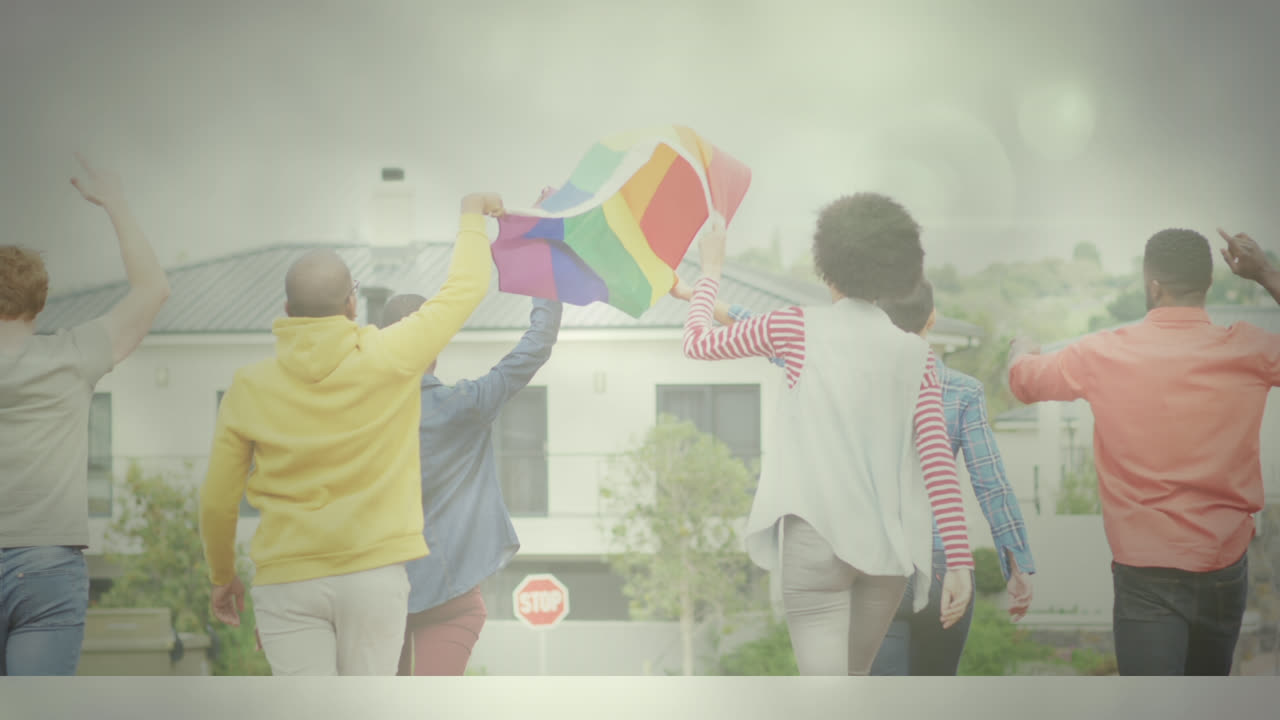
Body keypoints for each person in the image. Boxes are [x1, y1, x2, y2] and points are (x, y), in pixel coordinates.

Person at [199, 192, 503, 676]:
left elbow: (217, 499)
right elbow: (464, 289)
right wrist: (471, 216)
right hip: (374, 577)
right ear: (352, 303)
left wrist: (221, 575)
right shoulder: (392, 354)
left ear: (285, 308)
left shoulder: (247, 386)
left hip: (287, 579)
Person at [673, 276, 1036, 674]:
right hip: (940, 566)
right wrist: (1016, 563)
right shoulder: (963, 390)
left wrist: (700, 296)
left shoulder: (839, 361)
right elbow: (990, 482)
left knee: (864, 696)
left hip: (875, 552)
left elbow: (760, 328)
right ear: (931, 318)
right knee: (933, 697)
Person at [678, 194, 974, 676]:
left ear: (827, 265)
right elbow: (937, 461)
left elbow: (696, 344)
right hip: (886, 554)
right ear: (897, 271)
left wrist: (710, 273)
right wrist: (958, 562)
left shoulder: (795, 327)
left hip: (814, 540)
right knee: (853, 690)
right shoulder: (915, 355)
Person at [1006, 227, 1280, 676]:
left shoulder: (1103, 353)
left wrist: (1022, 350)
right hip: (1223, 566)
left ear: (1153, 286)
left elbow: (1024, 382)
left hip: (1145, 571)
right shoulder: (1247, 349)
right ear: (1207, 285)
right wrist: (1266, 273)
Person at [0, 154, 171, 675]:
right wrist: (114, 202)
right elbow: (153, 290)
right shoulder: (73, 357)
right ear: (42, 302)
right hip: (47, 566)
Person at [376, 293, 562, 676]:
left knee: (381, 707)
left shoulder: (356, 416)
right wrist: (546, 281)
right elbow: (536, 345)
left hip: (376, 593)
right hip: (452, 594)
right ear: (437, 343)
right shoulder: (467, 405)